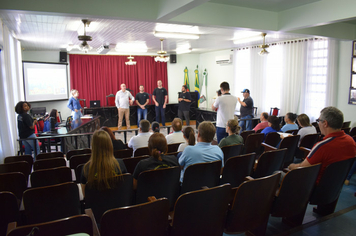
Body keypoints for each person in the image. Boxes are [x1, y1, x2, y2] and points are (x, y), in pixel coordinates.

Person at [288, 106, 356, 184]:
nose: (318, 123)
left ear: (325, 123)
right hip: (333, 188)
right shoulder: (351, 141)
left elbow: (302, 168)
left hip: (311, 186)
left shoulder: (322, 146)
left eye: (319, 120)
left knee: (277, 174)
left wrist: (291, 166)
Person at [80, 130, 127, 195]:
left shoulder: (86, 169)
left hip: (95, 204)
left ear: (93, 146)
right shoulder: (120, 164)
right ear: (110, 145)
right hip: (119, 203)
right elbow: (125, 188)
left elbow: (85, 194)